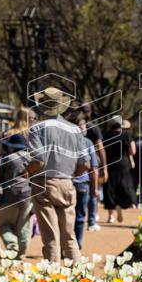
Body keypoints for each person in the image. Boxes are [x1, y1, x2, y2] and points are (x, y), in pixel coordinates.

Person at [26, 87, 89, 263]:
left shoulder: (37, 128)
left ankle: (53, 281)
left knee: (50, 236)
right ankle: (77, 277)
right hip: (67, 183)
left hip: (43, 183)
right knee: (69, 236)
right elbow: (85, 164)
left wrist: (27, 173)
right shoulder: (75, 130)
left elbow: (39, 160)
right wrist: (70, 175)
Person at [0, 134, 34, 258]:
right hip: (28, 196)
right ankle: (21, 255)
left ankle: (12, 245)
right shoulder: (32, 159)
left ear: (12, 147)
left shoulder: (6, 159)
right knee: (24, 227)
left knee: (4, 225)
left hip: (9, 196)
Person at [102, 117, 136, 223]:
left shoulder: (106, 135)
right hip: (123, 164)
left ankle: (111, 216)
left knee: (110, 189)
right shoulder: (126, 135)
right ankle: (120, 209)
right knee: (122, 187)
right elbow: (133, 151)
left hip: (109, 164)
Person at [73, 122, 100, 248]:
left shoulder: (65, 141)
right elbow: (92, 167)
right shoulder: (87, 143)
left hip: (69, 183)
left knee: (67, 215)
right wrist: (94, 189)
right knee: (79, 216)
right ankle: (76, 245)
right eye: (81, 126)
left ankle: (68, 245)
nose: (83, 128)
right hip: (81, 184)